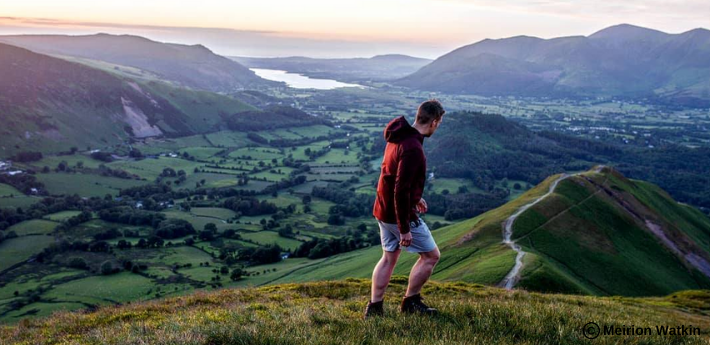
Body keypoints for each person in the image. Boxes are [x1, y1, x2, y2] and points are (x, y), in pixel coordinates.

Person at [365, 99, 445, 319]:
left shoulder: (398, 137)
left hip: (383, 209)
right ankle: (411, 302)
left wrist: (415, 198)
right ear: (434, 122)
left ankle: (374, 308)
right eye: (438, 124)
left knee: (389, 258)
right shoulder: (413, 149)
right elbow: (400, 189)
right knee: (431, 256)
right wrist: (404, 229)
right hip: (397, 215)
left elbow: (391, 176)